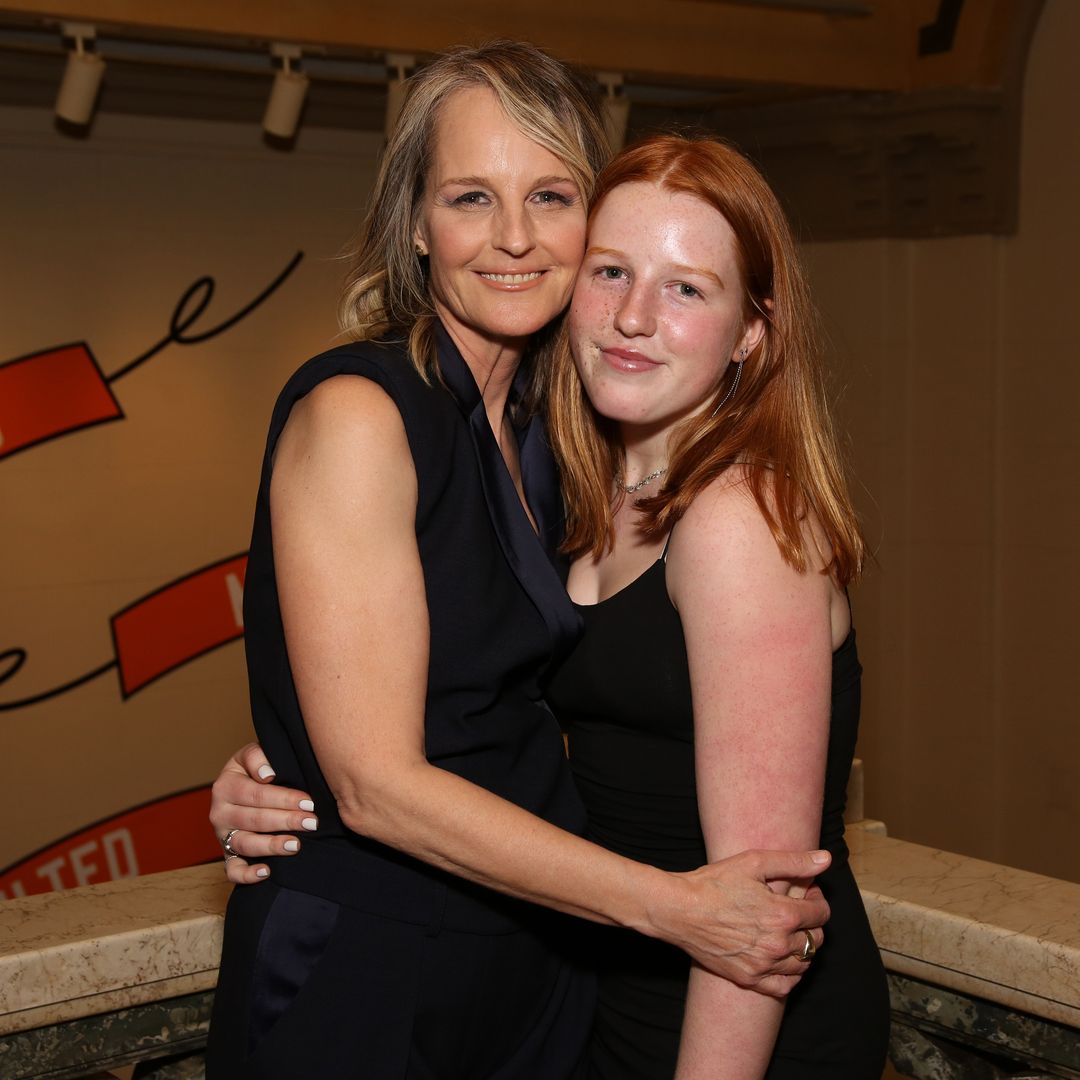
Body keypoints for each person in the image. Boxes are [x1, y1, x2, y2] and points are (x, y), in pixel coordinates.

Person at [206, 43, 832, 1080]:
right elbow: (375, 784)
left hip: (537, 969)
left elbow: (525, 702)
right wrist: (671, 906)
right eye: (470, 197)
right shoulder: (361, 414)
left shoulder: (565, 435)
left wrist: (290, 754)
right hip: (370, 970)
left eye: (550, 196)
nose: (513, 237)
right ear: (415, 222)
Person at [543, 135, 890, 1078]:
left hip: (735, 1026)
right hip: (620, 980)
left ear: (752, 332)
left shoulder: (740, 518)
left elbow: (761, 911)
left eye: (686, 289)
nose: (633, 316)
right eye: (611, 271)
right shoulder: (581, 494)